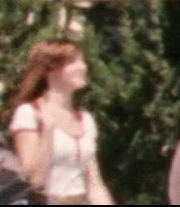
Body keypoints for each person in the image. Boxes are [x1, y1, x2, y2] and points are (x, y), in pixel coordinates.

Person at [7, 40, 113, 205]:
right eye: (73, 62)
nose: (83, 67)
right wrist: (48, 129)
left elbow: (94, 183)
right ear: (51, 69)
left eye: (82, 61)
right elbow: (34, 180)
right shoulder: (29, 113)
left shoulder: (85, 120)